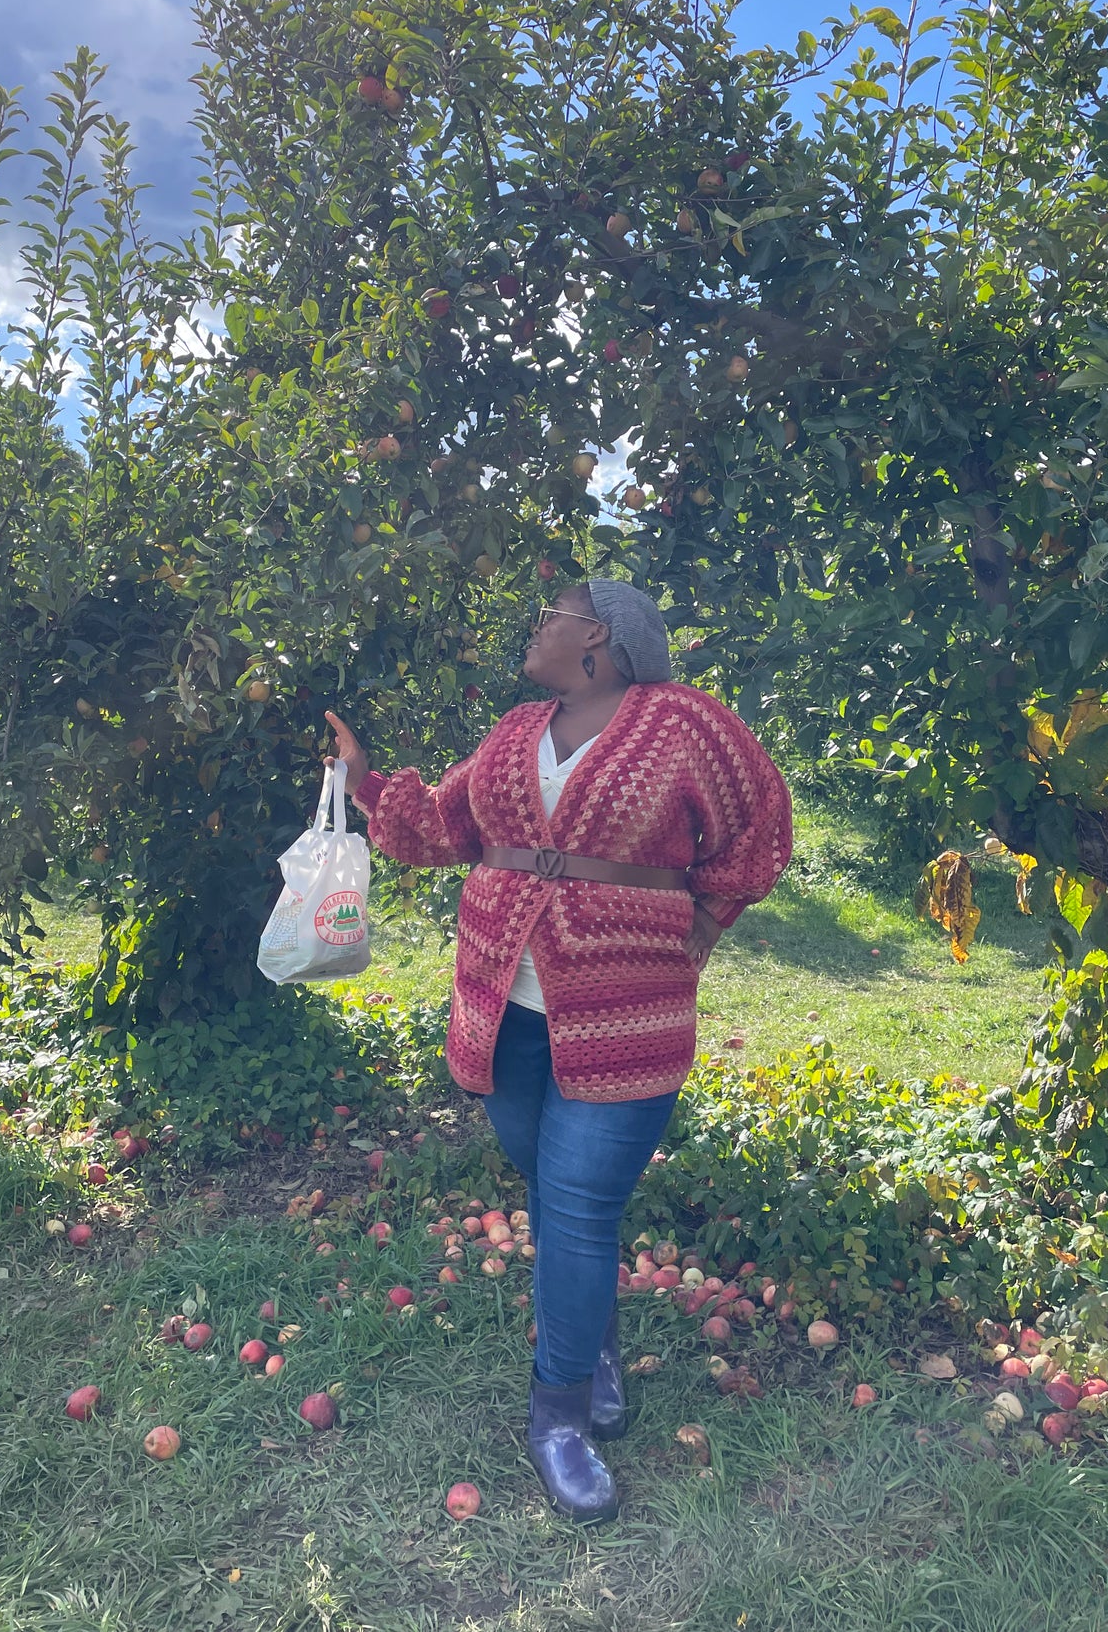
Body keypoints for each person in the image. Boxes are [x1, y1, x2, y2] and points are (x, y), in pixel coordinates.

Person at [324, 580, 791, 1523]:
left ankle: (560, 1419)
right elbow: (443, 829)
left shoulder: (686, 723)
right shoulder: (514, 729)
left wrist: (701, 919)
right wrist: (368, 778)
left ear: (602, 640)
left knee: (574, 1206)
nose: (535, 625)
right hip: (503, 1011)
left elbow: (759, 827)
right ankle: (598, 1346)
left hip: (627, 1010)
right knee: (551, 1193)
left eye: (552, 614)